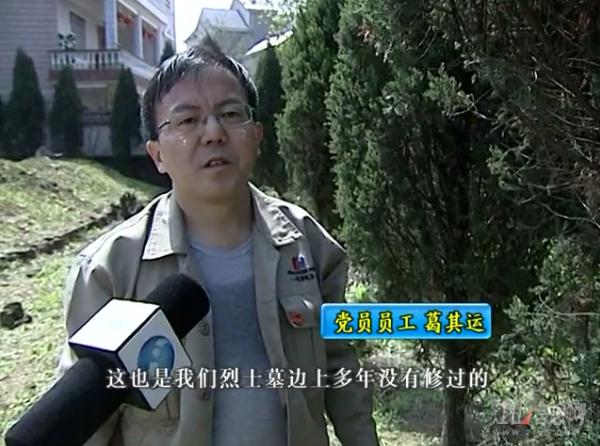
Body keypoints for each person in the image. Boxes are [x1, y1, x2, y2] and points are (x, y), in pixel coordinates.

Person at [57, 43, 380, 446]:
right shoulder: (109, 271)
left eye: (230, 114)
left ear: (257, 135)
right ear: (157, 155)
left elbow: (340, 369)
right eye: (187, 120)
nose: (213, 133)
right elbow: (85, 422)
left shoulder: (308, 245)